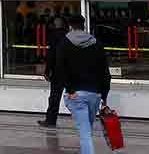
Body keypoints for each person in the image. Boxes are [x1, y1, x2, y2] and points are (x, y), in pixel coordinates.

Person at [52, 15, 111, 154]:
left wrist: (70, 90)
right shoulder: (96, 43)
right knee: (87, 130)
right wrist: (104, 95)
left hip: (76, 94)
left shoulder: (64, 43)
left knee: (85, 133)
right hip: (94, 94)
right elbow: (105, 72)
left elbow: (60, 68)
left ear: (70, 26)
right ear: (84, 26)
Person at [38, 15, 69, 129]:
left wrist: (47, 70)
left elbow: (51, 55)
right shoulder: (69, 35)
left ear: (56, 24)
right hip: (69, 71)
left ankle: (51, 120)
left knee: (54, 97)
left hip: (57, 71)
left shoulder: (54, 36)